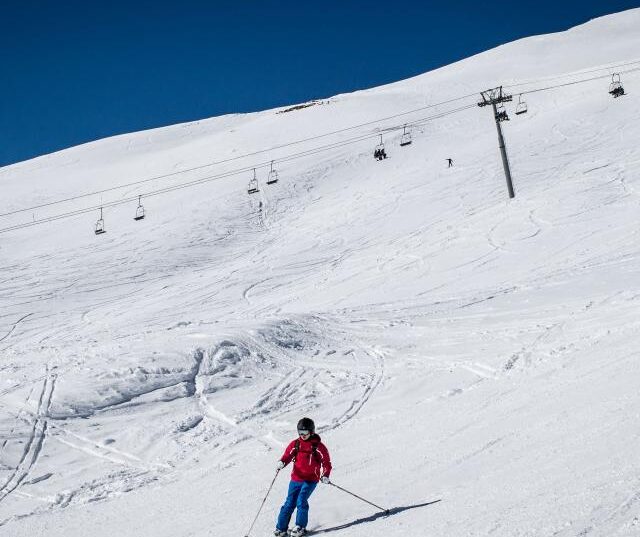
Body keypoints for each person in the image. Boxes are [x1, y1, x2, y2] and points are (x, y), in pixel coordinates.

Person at [274, 418, 332, 537]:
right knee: (289, 503)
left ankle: (300, 527)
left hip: (310, 480)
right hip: (296, 478)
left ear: (312, 432)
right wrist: (282, 462)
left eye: (305, 433)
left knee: (301, 501)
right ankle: (281, 529)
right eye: (300, 433)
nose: (303, 436)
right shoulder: (296, 444)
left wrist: (325, 475)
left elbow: (326, 463)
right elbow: (287, 456)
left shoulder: (318, 447)